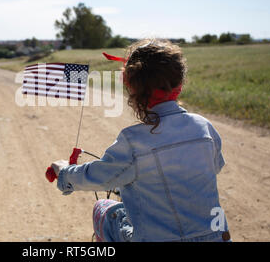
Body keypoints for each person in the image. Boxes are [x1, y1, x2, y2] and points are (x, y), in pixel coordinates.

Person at [51, 39, 230, 242]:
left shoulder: (133, 141)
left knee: (105, 211)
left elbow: (99, 176)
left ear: (133, 91)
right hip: (217, 238)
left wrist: (64, 173)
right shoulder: (204, 127)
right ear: (179, 84)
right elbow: (213, 168)